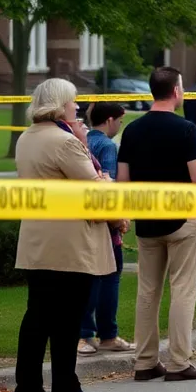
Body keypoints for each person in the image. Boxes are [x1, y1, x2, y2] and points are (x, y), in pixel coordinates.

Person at [13, 78, 117, 392]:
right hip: (70, 242)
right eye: (73, 102)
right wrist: (105, 178)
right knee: (69, 317)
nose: (76, 107)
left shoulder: (26, 138)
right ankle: (65, 388)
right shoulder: (66, 142)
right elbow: (94, 190)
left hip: (36, 238)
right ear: (60, 105)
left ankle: (27, 387)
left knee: (37, 315)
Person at [118, 66, 196, 382]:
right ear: (175, 91)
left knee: (148, 290)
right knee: (183, 289)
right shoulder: (186, 130)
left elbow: (123, 181)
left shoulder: (131, 130)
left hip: (147, 220)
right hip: (182, 218)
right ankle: (179, 362)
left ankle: (144, 362)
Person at [78, 102, 132, 357]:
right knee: (110, 278)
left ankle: (86, 334)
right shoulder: (107, 146)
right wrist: (119, 220)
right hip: (107, 226)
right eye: (120, 121)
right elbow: (108, 186)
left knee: (88, 279)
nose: (120, 126)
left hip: (84, 222)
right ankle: (105, 334)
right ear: (110, 120)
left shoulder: (80, 140)